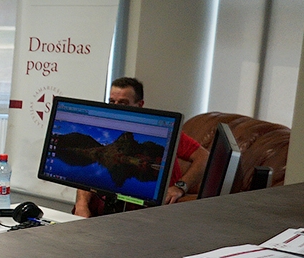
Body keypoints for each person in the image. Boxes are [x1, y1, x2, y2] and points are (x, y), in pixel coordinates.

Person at [73, 77, 208, 218]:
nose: (116, 107)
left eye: (123, 103)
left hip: (145, 214)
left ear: (140, 104)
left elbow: (204, 157)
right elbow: (87, 177)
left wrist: (180, 187)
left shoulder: (163, 128)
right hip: (103, 212)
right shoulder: (107, 125)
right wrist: (81, 205)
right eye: (112, 102)